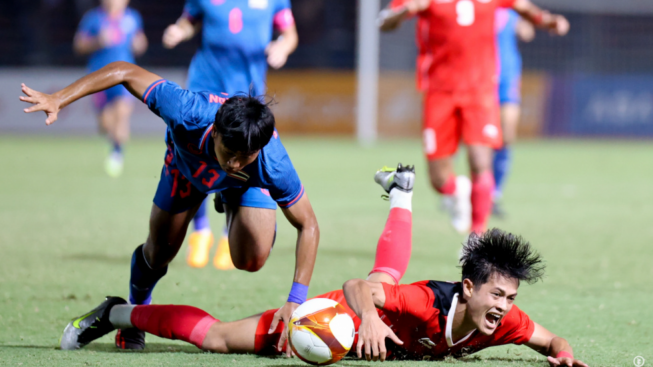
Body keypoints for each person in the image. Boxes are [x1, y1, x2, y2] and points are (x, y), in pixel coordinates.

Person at [60, 164, 587, 367]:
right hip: (339, 315)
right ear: (469, 289)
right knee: (219, 339)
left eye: (511, 299)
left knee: (387, 281)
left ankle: (402, 191)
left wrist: (564, 355)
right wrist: (372, 319)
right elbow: (357, 286)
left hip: (384, 310)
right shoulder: (425, 303)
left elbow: (553, 340)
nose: (505, 309)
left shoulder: (504, 321)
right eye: (498, 295)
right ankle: (118, 313)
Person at [20, 61, 319, 352]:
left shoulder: (271, 163)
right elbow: (124, 71)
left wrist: (296, 298)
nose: (235, 163)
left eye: (245, 157)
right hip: (185, 170)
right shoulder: (187, 110)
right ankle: (135, 309)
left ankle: (229, 196)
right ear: (214, 131)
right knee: (158, 254)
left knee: (251, 260)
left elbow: (308, 225)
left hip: (245, 185)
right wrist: (59, 98)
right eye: (230, 153)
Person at [378, 0, 569, 234]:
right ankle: (458, 192)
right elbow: (384, 23)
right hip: (439, 92)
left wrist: (548, 22)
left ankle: (476, 238)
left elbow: (524, 8)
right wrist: (406, 11)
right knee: (438, 178)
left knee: (480, 162)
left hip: (480, 92)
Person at [162, 0, 299, 270]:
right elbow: (189, 22)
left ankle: (228, 234)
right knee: (193, 153)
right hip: (204, 88)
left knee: (239, 158)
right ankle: (200, 231)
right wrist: (179, 31)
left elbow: (290, 34)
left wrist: (283, 46)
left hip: (245, 94)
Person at [73, 0, 147, 177]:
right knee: (105, 124)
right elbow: (79, 45)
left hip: (125, 77)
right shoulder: (93, 18)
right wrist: (97, 41)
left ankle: (117, 154)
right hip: (98, 78)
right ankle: (114, 143)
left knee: (122, 114)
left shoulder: (133, 18)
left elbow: (141, 43)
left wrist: (139, 44)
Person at [492, 8, 534, 218]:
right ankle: (463, 191)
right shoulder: (475, 9)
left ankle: (494, 193)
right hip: (481, 79)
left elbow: (527, 32)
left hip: (508, 77)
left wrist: (525, 24)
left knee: (507, 135)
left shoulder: (509, 11)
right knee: (480, 139)